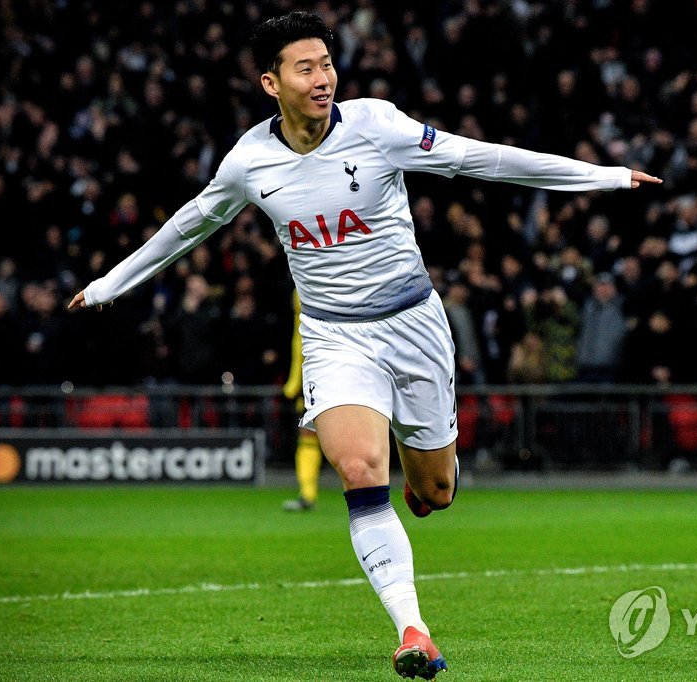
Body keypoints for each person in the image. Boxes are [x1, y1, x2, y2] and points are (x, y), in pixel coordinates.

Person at [67, 11, 662, 679]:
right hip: (333, 336)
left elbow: (483, 159)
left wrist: (605, 176)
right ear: (271, 83)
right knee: (356, 469)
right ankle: (413, 629)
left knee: (437, 491)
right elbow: (189, 224)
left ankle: (427, 479)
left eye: (327, 64)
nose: (323, 78)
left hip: (412, 324)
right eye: (305, 68)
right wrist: (110, 284)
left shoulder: (377, 126)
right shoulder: (249, 162)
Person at [281, 291, 323, 512]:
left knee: (310, 437)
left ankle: (307, 494)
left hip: (315, 381)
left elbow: (301, 349)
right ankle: (307, 494)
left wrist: (295, 383)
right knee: (309, 436)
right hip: (317, 381)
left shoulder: (306, 316)